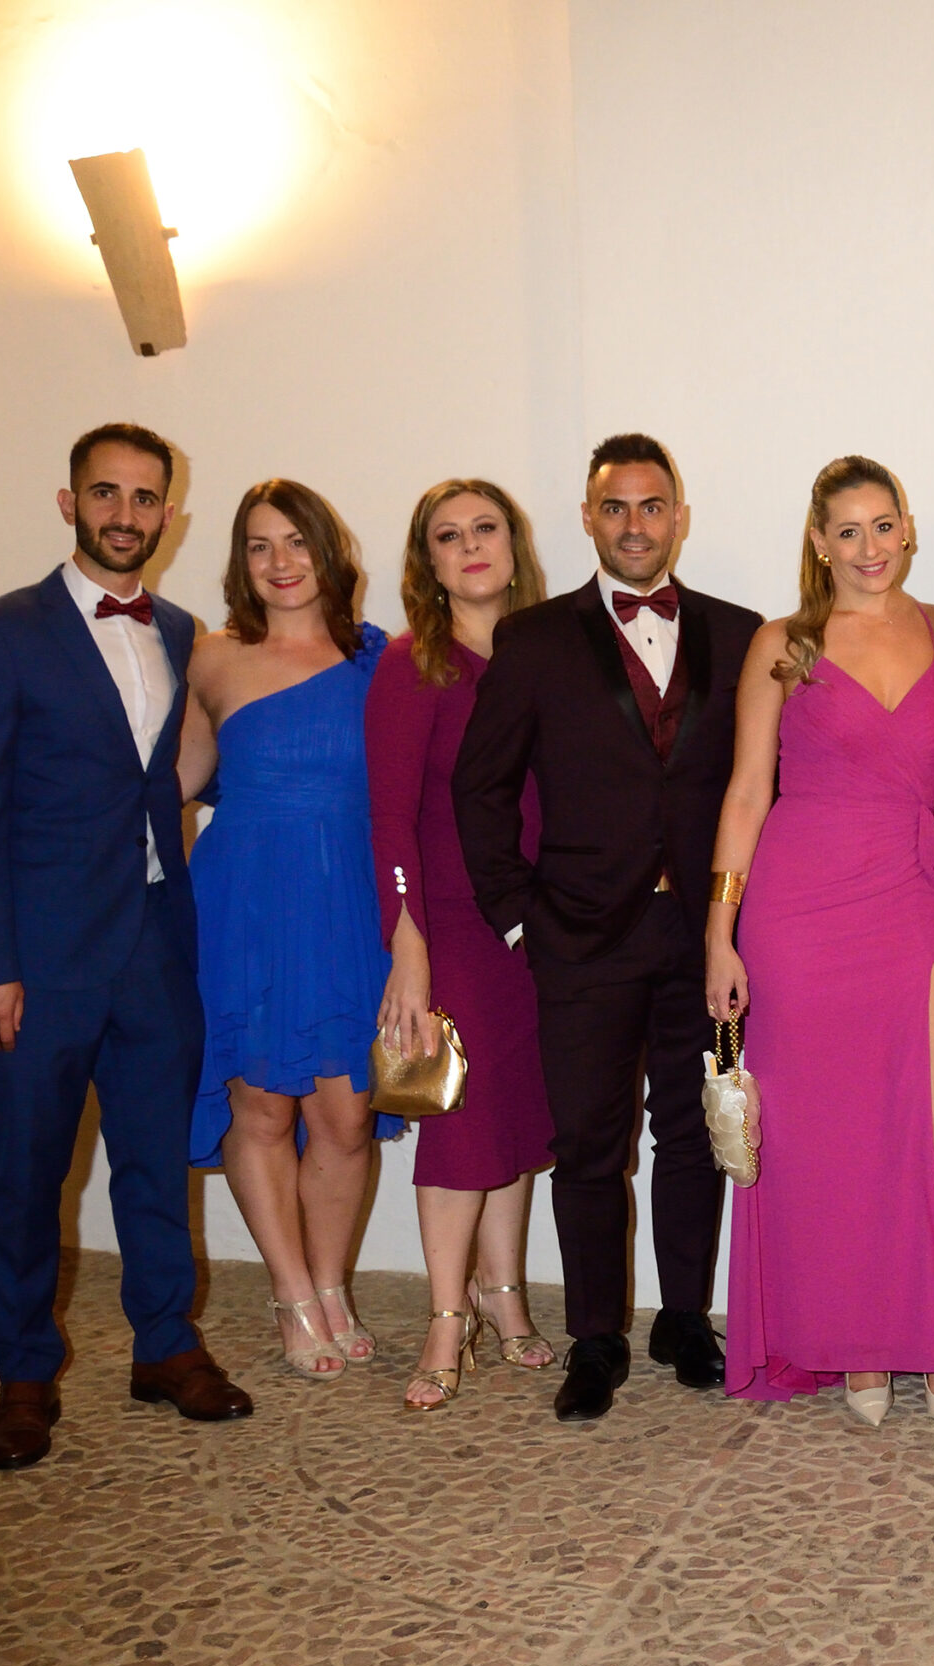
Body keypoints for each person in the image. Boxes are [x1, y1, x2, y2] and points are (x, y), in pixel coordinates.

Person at [0, 423, 253, 1470]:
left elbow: (174, 774)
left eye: (145, 497)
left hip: (156, 947)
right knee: (31, 1177)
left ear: (170, 513)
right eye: (106, 493)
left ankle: (165, 1345)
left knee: (157, 1166)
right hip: (39, 960)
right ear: (70, 503)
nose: (126, 514)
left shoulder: (180, 631)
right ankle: (24, 1374)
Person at [453, 434, 763, 1423]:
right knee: (589, 1146)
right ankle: (595, 1337)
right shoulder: (535, 640)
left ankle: (684, 1319)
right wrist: (518, 923)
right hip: (578, 938)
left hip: (704, 942)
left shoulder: (740, 634)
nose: (635, 525)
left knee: (695, 1132)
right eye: (615, 507)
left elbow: (769, 783)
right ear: (588, 518)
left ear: (679, 516)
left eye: (651, 505)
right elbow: (480, 789)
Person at [705, 456, 934, 1431]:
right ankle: (860, 1343)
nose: (870, 546)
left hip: (909, 900)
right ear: (819, 542)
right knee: (830, 1144)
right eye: (848, 530)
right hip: (799, 908)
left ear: (906, 528)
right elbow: (747, 791)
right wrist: (719, 934)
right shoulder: (784, 642)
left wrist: (927, 810)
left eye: (883, 525)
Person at [178, 479, 401, 1382]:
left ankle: (331, 1281)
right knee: (262, 1106)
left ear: (329, 551)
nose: (280, 562)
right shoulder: (211, 658)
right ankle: (293, 1293)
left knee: (346, 1115)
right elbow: (176, 784)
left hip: (347, 899)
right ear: (242, 561)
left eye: (297, 541)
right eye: (260, 545)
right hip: (244, 903)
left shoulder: (378, 659)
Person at [367, 478, 558, 1411]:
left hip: (537, 922)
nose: (472, 546)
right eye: (449, 536)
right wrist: (408, 948)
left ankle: (505, 1297)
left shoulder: (547, 654)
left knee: (517, 1117)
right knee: (459, 1125)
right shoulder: (414, 665)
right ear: (429, 562)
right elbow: (390, 816)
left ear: (514, 546)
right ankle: (448, 1318)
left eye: (486, 528)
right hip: (447, 926)